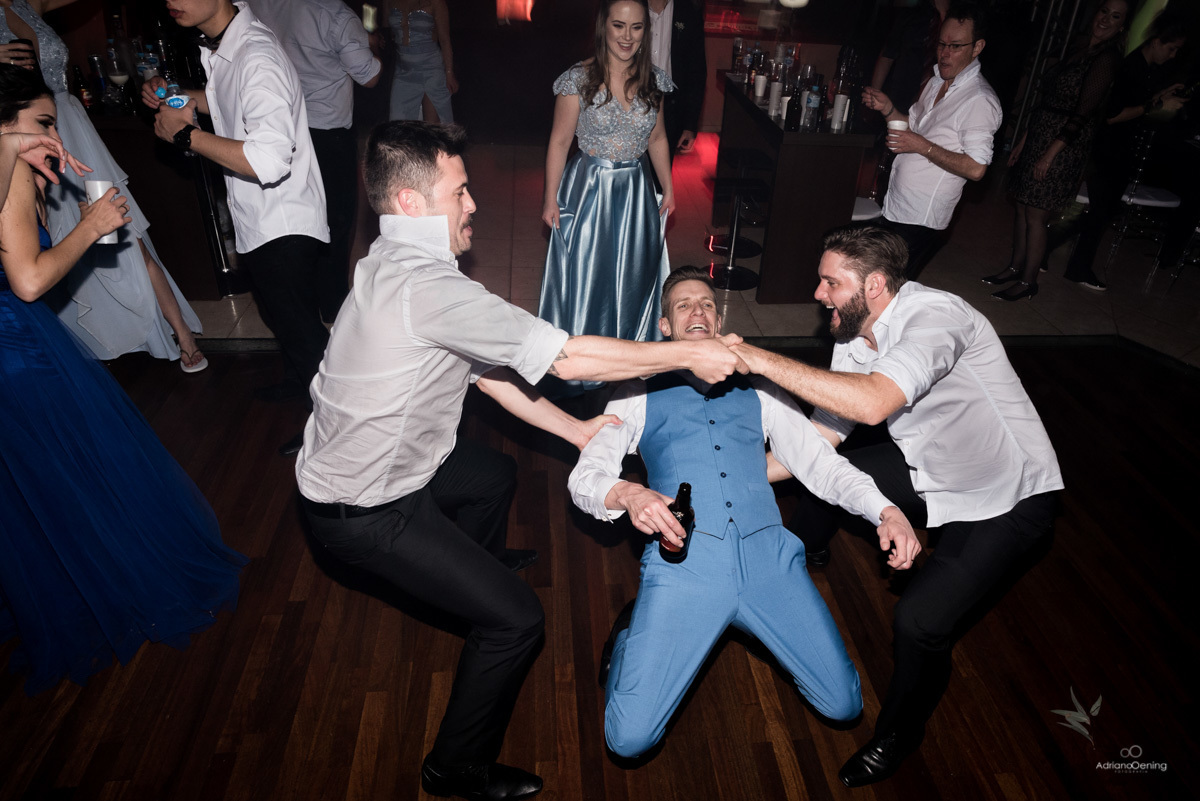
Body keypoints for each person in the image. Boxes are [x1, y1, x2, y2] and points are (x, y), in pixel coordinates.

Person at [294, 121, 746, 801]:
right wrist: (684, 352)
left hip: (382, 466)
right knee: (517, 621)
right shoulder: (428, 288)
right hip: (365, 508)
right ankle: (454, 768)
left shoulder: (388, 257)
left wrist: (576, 429)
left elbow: (485, 372)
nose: (473, 203)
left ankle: (470, 574)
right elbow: (566, 357)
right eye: (459, 191)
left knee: (495, 477)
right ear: (412, 203)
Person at [730, 225, 1063, 787]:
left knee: (919, 623)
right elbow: (819, 441)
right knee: (827, 478)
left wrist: (756, 359)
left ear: (875, 285)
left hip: (1007, 494)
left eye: (830, 283)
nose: (818, 294)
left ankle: (899, 735)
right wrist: (728, 479)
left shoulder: (938, 319)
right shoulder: (853, 333)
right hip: (927, 463)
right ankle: (806, 550)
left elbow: (873, 403)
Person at [569, 266, 921, 760]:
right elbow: (584, 478)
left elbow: (820, 464)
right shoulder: (637, 390)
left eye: (707, 304)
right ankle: (630, 637)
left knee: (844, 706)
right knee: (628, 740)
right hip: (684, 569)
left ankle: (750, 620)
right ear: (666, 326)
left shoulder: (761, 385)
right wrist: (628, 493)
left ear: (719, 322)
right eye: (684, 305)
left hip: (769, 562)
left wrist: (885, 510)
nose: (698, 311)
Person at [0, 64, 246, 696]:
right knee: (73, 474)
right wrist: (91, 225)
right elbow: (29, 281)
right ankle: (106, 589)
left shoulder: (13, 170)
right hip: (16, 351)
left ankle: (53, 594)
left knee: (27, 487)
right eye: (43, 123)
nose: (54, 136)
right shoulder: (13, 177)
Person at [144, 0, 331, 456]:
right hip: (262, 217)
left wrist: (185, 134)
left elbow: (268, 160)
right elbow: (230, 99)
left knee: (304, 334)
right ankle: (299, 383)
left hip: (282, 222)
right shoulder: (230, 47)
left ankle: (334, 430)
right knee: (279, 316)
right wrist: (182, 98)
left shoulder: (256, 54)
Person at [0, 0, 207, 371]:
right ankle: (84, 345)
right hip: (22, 128)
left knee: (128, 235)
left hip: (67, 128)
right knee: (48, 246)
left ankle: (181, 334)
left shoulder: (29, 3)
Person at [538, 0, 675, 391]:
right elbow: (559, 142)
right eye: (619, 26)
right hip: (590, 192)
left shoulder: (654, 80)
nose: (627, 36)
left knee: (634, 275)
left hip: (635, 192)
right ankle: (583, 364)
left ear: (646, 31)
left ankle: (629, 358)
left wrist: (668, 186)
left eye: (636, 27)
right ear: (604, 26)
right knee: (589, 277)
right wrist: (550, 197)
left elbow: (658, 138)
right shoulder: (577, 80)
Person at [249, 0, 382, 323]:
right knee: (336, 220)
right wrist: (374, 45)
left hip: (277, 127)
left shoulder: (259, 3)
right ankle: (333, 306)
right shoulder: (336, 15)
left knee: (294, 218)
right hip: (327, 133)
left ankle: (302, 300)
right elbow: (369, 76)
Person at [985, 0, 1126, 301]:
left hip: (1063, 147)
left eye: (1115, 17)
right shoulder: (1080, 48)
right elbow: (1046, 102)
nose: (1105, 19)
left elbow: (1082, 114)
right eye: (1103, 11)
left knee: (1036, 214)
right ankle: (1015, 267)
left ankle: (1028, 282)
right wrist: (1025, 140)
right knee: (1022, 206)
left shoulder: (1106, 58)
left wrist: (1050, 154)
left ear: (1122, 26)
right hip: (1040, 136)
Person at [861, 2, 1001, 277]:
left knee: (884, 288)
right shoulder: (936, 81)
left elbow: (976, 168)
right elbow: (913, 127)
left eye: (956, 46)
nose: (945, 54)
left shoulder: (979, 100)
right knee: (879, 284)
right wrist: (888, 108)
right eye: (941, 44)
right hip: (898, 204)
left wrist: (921, 146)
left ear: (977, 47)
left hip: (921, 218)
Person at [1054, 19, 1189, 291]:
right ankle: (1073, 264)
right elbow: (1113, 115)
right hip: (1107, 151)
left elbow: (1138, 104)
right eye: (1171, 48)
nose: (1173, 55)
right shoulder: (1131, 67)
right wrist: (1157, 105)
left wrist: (1160, 97)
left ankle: (1051, 248)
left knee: (1103, 212)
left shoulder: (1145, 68)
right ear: (1156, 42)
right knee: (1101, 212)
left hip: (1117, 152)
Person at [647, 0, 705, 157]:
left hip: (671, 108)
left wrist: (690, 124)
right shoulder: (632, 5)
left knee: (662, 165)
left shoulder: (688, 11)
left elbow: (697, 70)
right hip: (632, 102)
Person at [382, 0, 455, 122]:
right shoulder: (388, 1)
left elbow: (445, 40)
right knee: (398, 125)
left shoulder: (435, 2)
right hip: (403, 71)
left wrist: (449, 73)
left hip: (431, 69)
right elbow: (385, 30)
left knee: (432, 127)